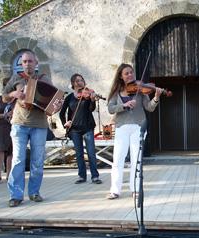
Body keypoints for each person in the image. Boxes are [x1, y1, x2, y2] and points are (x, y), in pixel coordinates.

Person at [2, 50, 62, 207]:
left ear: (36, 63)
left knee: (37, 161)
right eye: (24, 62)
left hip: (40, 125)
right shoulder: (16, 78)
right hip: (19, 123)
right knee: (18, 160)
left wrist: (57, 105)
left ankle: (34, 192)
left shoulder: (44, 79)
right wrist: (14, 93)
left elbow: (54, 100)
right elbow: (4, 96)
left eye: (30, 61)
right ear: (22, 64)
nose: (27, 64)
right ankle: (16, 195)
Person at [106, 63, 162, 199]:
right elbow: (110, 108)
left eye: (131, 72)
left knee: (136, 159)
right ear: (120, 76)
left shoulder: (141, 90)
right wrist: (124, 105)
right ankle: (115, 190)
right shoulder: (116, 92)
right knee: (118, 159)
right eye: (126, 73)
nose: (130, 75)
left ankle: (135, 188)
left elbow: (149, 108)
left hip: (138, 126)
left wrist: (156, 97)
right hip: (121, 127)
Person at [59, 73, 102, 185]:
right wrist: (65, 123)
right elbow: (62, 113)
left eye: (82, 80)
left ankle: (95, 176)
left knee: (91, 152)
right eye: (77, 80)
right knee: (79, 154)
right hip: (74, 129)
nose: (80, 82)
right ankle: (82, 176)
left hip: (88, 127)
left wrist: (92, 100)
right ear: (73, 83)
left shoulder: (87, 94)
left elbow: (91, 109)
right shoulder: (69, 98)